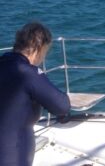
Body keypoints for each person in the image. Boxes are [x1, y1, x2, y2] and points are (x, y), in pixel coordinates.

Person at [0, 22, 71, 166]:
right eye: (45, 52)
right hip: (12, 154)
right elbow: (62, 106)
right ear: (39, 48)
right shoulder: (28, 73)